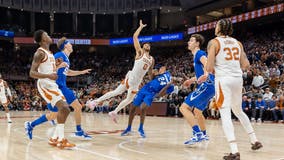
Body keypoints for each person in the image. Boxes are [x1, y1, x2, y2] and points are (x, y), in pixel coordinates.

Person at [206, 18, 262, 160]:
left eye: (216, 25)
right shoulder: (238, 43)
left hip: (223, 80)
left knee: (225, 112)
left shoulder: (214, 42)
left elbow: (209, 67)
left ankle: (234, 150)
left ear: (219, 28)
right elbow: (246, 65)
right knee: (238, 111)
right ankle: (254, 140)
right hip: (237, 79)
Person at [87, 20, 154, 123]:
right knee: (116, 92)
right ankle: (95, 102)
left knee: (128, 99)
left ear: (150, 47)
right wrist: (140, 27)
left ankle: (114, 112)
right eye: (145, 44)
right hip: (131, 77)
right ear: (143, 46)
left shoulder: (152, 59)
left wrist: (152, 80)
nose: (147, 45)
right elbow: (135, 37)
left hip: (136, 82)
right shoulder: (140, 52)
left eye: (148, 45)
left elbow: (150, 72)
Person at [25, 30, 75, 149]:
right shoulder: (40, 53)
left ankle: (54, 139)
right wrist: (48, 76)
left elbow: (48, 70)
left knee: (64, 110)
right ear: (43, 40)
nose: (49, 36)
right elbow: (32, 73)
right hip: (45, 84)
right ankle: (61, 140)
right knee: (64, 108)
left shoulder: (50, 53)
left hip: (52, 84)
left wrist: (58, 67)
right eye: (46, 35)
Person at [179, 34, 215, 145]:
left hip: (207, 85)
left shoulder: (199, 53)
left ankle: (197, 134)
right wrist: (191, 80)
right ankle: (203, 134)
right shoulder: (195, 56)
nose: (189, 42)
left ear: (197, 43)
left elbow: (208, 64)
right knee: (197, 111)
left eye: (191, 40)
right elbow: (200, 75)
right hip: (210, 86)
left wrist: (206, 73)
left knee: (184, 108)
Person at [121, 65, 174, 138]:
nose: (159, 69)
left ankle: (141, 128)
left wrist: (168, 85)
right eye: (159, 68)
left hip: (152, 93)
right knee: (132, 107)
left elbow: (160, 95)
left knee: (143, 107)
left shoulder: (171, 85)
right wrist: (151, 71)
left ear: (164, 68)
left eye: (161, 68)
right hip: (144, 89)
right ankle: (129, 128)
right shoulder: (159, 75)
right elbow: (151, 77)